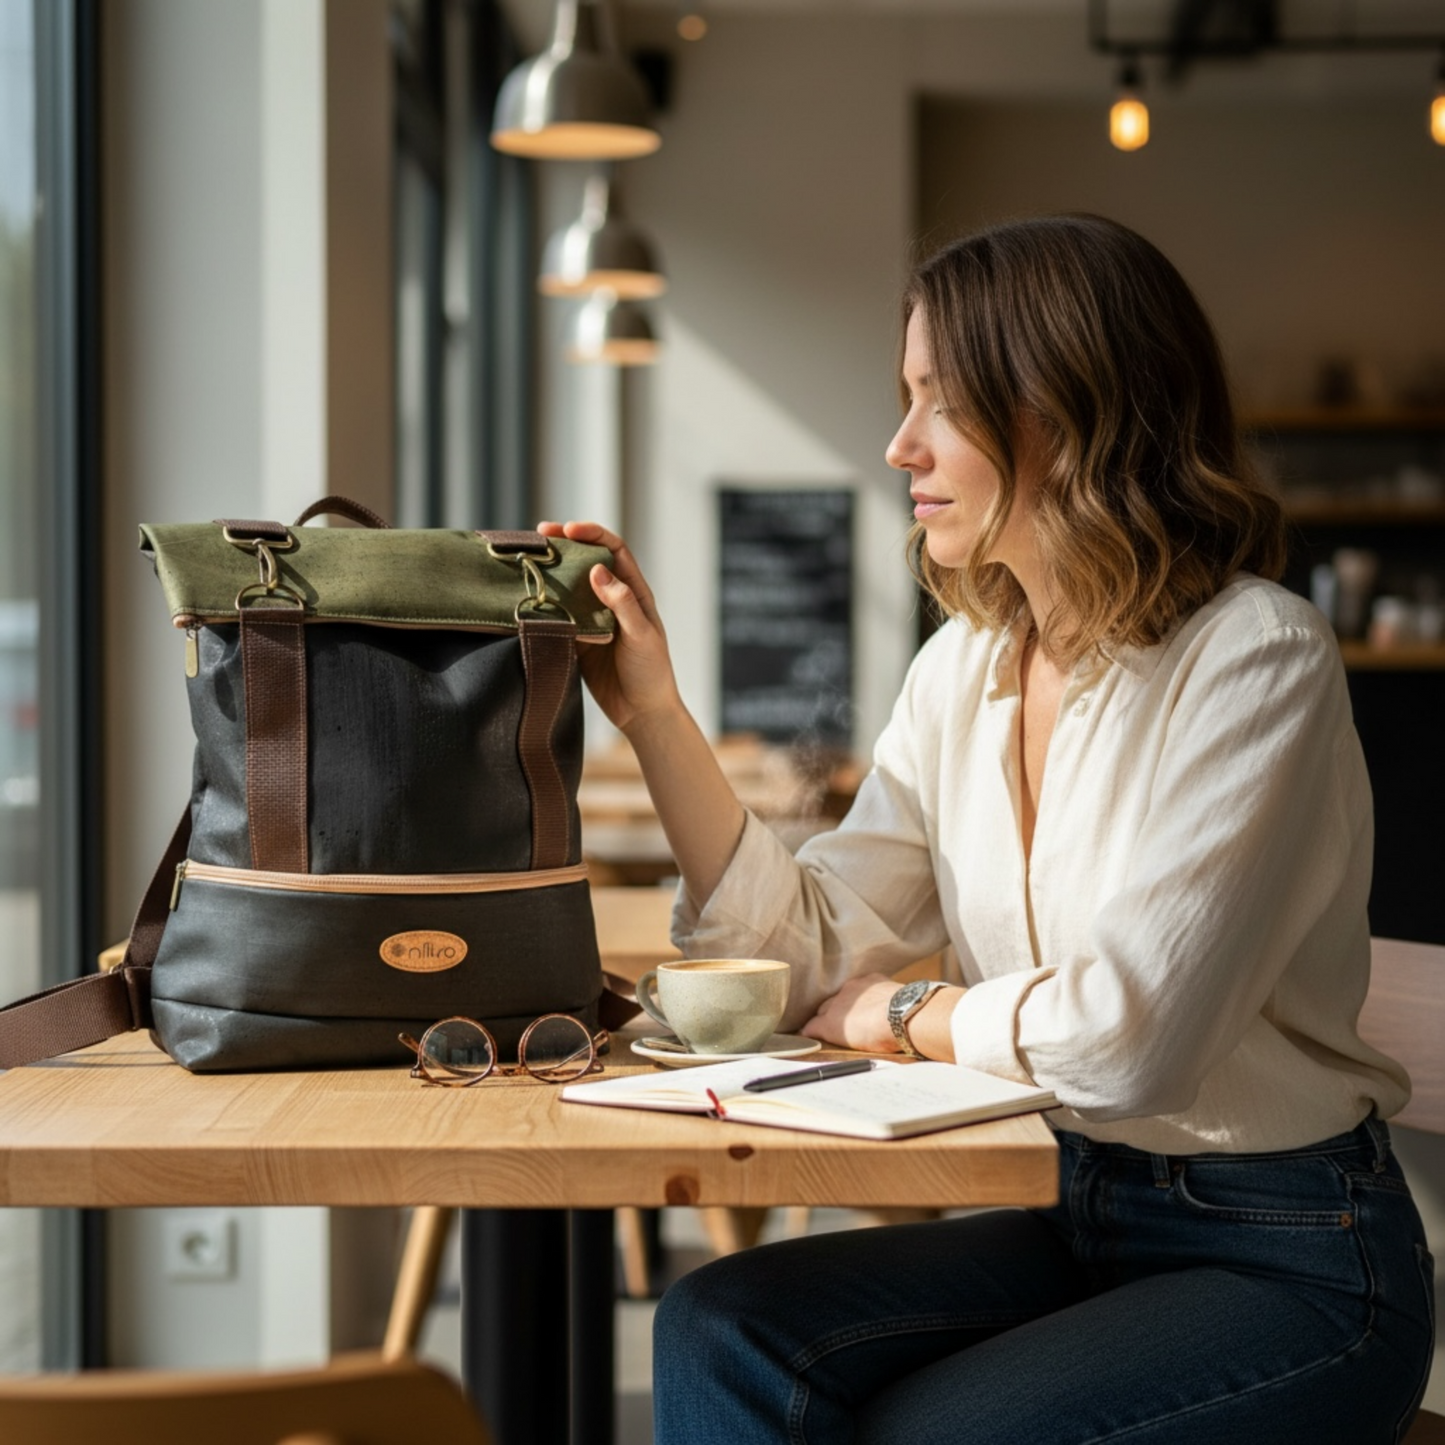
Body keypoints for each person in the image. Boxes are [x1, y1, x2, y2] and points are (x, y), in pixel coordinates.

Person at [538, 214, 1435, 1444]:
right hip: (1076, 1207)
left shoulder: (1255, 655)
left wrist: (898, 1012)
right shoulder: (963, 667)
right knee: (715, 1328)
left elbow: (1125, 1040)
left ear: (1064, 413)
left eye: (936, 403)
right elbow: (806, 952)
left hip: (1293, 1257)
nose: (898, 442)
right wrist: (651, 710)